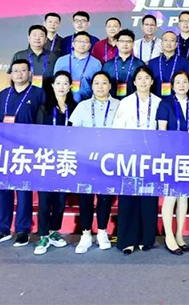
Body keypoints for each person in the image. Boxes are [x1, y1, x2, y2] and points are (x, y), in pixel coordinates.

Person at [0, 59, 45, 248]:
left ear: (30, 73)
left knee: (24, 190)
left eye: (23, 70)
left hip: (27, 149)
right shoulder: (3, 94)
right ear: (11, 74)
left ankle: (23, 230)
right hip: (3, 150)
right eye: (16, 71)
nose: (19, 74)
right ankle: (2, 230)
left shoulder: (39, 94)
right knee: (2, 189)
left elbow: (43, 123)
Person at [112, 66, 162, 255]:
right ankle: (127, 240)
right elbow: (118, 129)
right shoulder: (125, 102)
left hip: (151, 156)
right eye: (139, 78)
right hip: (130, 156)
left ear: (152, 81)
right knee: (128, 198)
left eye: (146, 78)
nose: (143, 81)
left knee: (148, 198)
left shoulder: (158, 102)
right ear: (134, 82)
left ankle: (146, 238)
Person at [68, 71, 119, 253]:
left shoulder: (119, 105)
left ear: (110, 86)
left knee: (105, 197)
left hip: (109, 158)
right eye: (96, 83)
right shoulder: (82, 106)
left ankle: (102, 232)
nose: (100, 86)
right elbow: (73, 132)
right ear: (92, 86)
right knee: (86, 197)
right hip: (86, 158)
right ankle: (86, 234)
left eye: (104, 83)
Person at [32, 70, 76, 255]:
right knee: (45, 200)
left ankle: (54, 231)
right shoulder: (44, 108)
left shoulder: (74, 107)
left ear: (70, 86)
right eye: (58, 83)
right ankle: (43, 235)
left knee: (60, 200)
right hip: (47, 158)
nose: (61, 87)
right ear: (52, 86)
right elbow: (38, 133)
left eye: (65, 83)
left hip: (66, 159)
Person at [156, 70, 189, 254]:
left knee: (183, 196)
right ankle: (169, 236)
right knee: (171, 195)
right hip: (171, 155)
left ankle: (180, 235)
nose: (182, 85)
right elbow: (162, 132)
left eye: (185, 82)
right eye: (178, 82)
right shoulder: (164, 104)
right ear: (172, 86)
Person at [54, 31, 101, 103]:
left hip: (87, 102)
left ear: (90, 45)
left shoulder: (96, 63)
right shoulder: (61, 61)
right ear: (73, 44)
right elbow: (55, 82)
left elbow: (98, 85)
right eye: (79, 41)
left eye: (86, 42)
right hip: (63, 102)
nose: (82, 44)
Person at [10, 24, 57, 89]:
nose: (37, 38)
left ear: (46, 40)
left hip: (48, 92)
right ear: (28, 38)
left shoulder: (53, 57)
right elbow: (10, 76)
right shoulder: (19, 55)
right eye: (34, 35)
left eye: (41, 36)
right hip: (25, 92)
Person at [102, 29, 145, 99]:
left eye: (128, 41)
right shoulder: (107, 65)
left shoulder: (140, 64)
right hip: (112, 102)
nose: (125, 44)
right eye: (122, 41)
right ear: (117, 43)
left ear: (133, 44)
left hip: (133, 101)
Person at [148, 31, 189, 98]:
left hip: (177, 100)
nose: (168, 43)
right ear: (161, 43)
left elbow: (188, 83)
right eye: (166, 40)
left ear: (176, 44)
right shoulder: (152, 63)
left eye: (172, 40)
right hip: (156, 99)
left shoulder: (184, 62)